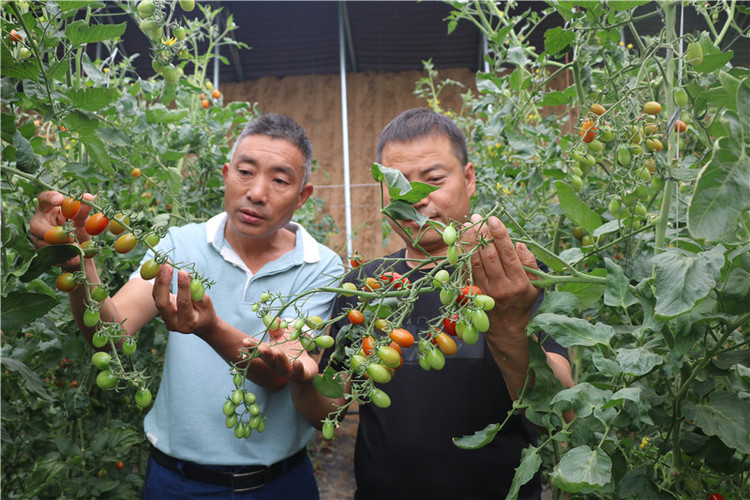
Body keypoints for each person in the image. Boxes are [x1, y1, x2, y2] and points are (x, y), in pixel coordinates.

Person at [29, 113, 343, 499]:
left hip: (278, 484)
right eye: (245, 172)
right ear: (227, 174)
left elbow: (280, 373)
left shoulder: (321, 264)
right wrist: (80, 265)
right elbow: (109, 335)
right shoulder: (179, 244)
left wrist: (209, 327)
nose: (257, 192)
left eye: (280, 180)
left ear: (302, 195)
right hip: (175, 482)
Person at [322, 108, 575, 500]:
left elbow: (562, 413)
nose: (416, 199)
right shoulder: (363, 287)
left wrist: (509, 325)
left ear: (469, 179)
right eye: (397, 184)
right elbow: (328, 402)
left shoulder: (517, 278)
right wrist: (299, 371)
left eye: (434, 180)